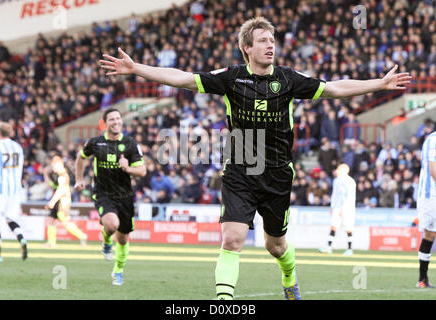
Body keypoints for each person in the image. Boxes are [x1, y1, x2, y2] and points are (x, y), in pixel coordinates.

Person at [99, 16, 411, 300]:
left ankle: (289, 277)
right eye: (263, 41)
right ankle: (224, 302)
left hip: (276, 173)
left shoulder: (288, 79)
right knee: (232, 238)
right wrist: (136, 68)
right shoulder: (231, 78)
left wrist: (379, 84)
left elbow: (334, 89)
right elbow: (181, 78)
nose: (270, 45)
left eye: (272, 41)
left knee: (275, 245)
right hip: (239, 169)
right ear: (247, 47)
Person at [74, 108, 146, 286]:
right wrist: (79, 179)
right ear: (105, 123)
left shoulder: (130, 144)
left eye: (118, 118)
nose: (116, 121)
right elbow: (81, 157)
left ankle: (118, 270)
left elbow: (142, 171)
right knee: (111, 225)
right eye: (112, 119)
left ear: (121, 121)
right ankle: (106, 241)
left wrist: (128, 168)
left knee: (123, 239)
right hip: (103, 193)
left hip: (125, 196)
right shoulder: (96, 143)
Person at [0, 122, 27, 262]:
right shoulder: (18, 147)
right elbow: (20, 168)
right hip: (15, 189)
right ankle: (21, 238)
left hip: (0, 188)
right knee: (10, 218)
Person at [43, 156, 87, 247]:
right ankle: (51, 242)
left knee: (64, 221)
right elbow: (49, 186)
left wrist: (52, 202)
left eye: (54, 166)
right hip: (56, 200)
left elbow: (61, 190)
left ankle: (82, 236)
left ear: (59, 164)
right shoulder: (55, 175)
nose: (53, 168)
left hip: (63, 201)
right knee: (51, 220)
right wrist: (45, 174)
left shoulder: (63, 175)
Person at [319, 163, 357, 255]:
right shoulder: (336, 180)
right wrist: (332, 207)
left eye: (339, 169)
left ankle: (350, 249)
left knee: (348, 227)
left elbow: (350, 197)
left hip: (347, 208)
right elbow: (334, 195)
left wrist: (344, 209)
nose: (337, 171)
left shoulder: (350, 181)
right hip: (336, 207)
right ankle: (328, 247)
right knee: (333, 226)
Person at [416, 130, 436, 288]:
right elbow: (433, 169)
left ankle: (422, 279)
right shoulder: (433, 140)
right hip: (431, 196)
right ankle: (422, 279)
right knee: (429, 234)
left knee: (430, 234)